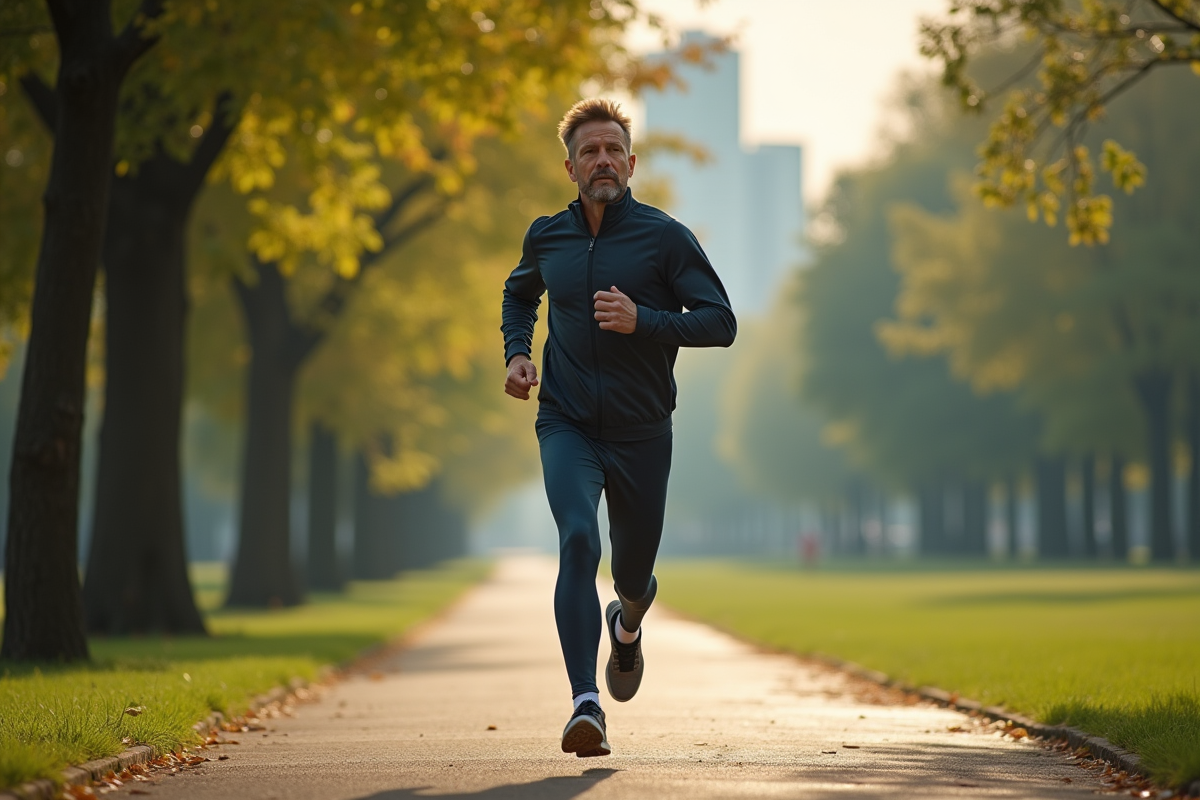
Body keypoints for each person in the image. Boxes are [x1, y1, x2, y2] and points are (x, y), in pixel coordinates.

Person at [501, 98, 736, 757]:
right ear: (570, 168)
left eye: (612, 150)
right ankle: (585, 704)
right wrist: (517, 353)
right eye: (588, 152)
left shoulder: (664, 238)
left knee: (632, 575)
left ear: (631, 164)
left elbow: (721, 322)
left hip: (641, 432)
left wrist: (647, 321)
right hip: (567, 423)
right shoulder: (547, 235)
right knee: (578, 540)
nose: (601, 160)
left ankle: (626, 623)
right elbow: (519, 293)